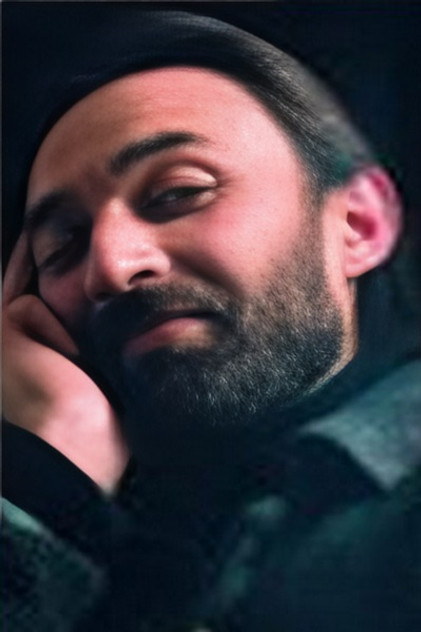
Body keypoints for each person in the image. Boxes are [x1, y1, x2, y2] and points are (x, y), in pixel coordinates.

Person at [2, 9, 420, 632]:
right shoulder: (156, 558)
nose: (110, 266)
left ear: (358, 225)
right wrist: (54, 462)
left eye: (179, 192)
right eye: (63, 246)